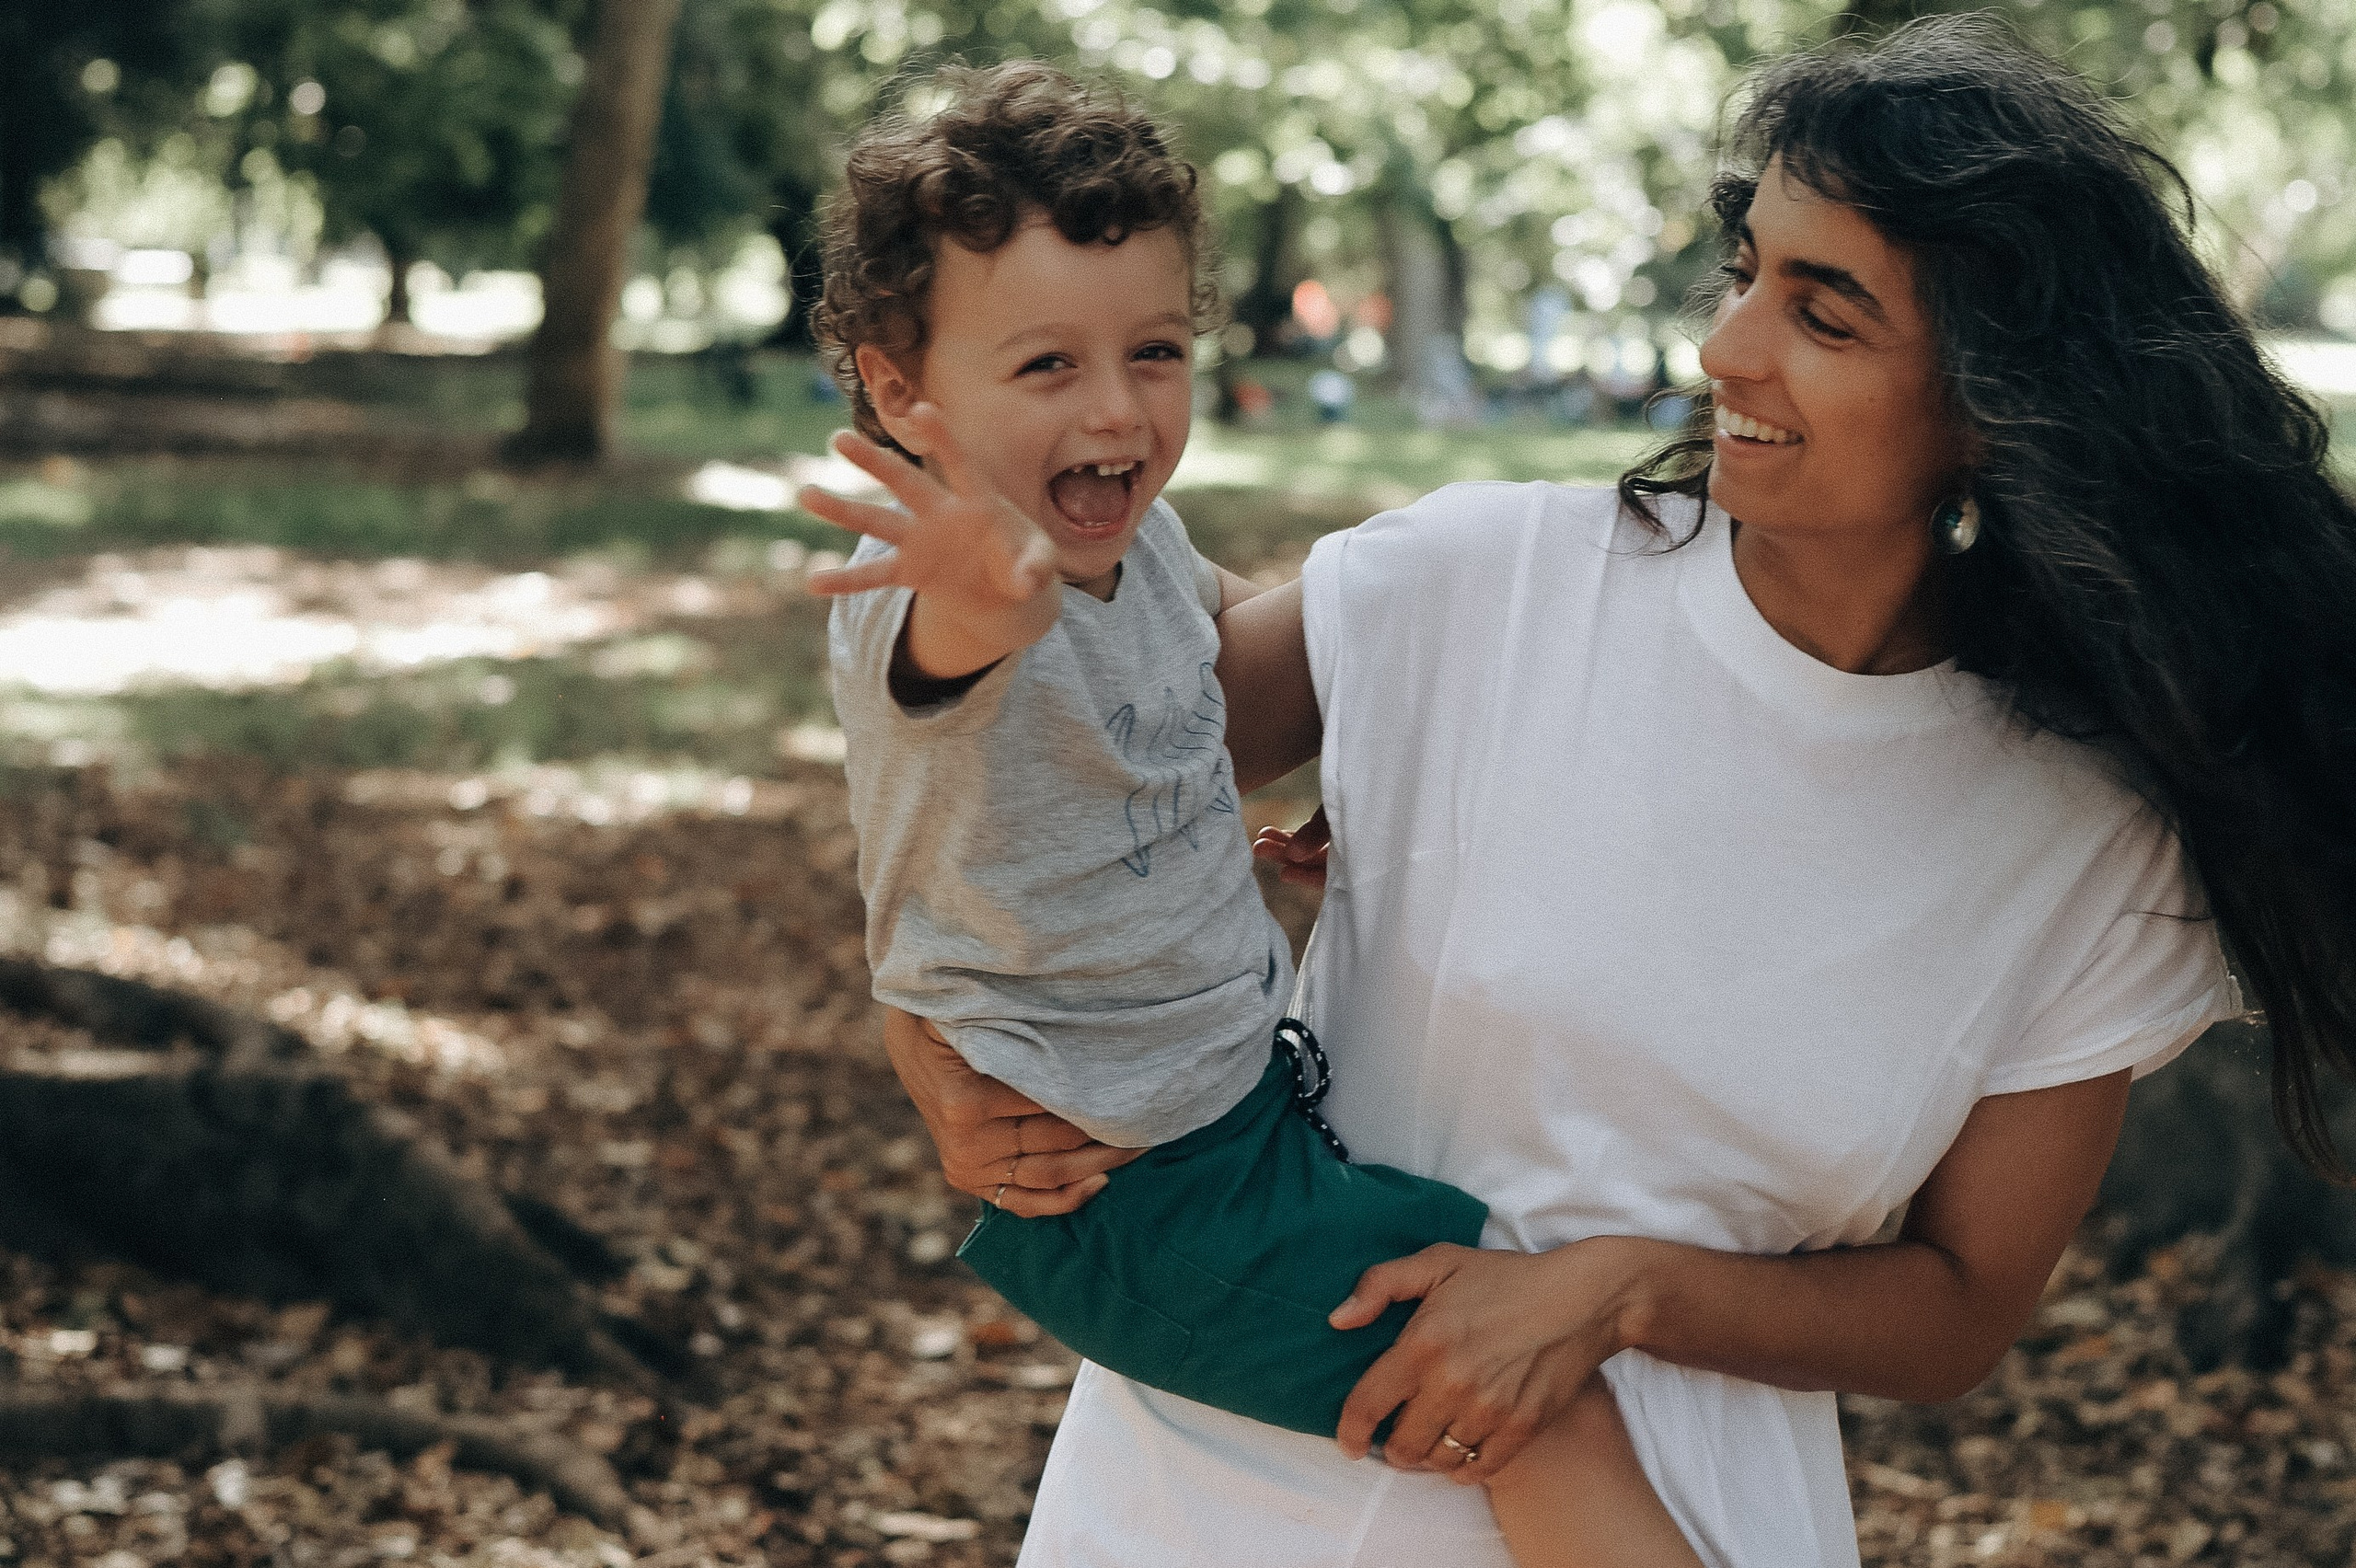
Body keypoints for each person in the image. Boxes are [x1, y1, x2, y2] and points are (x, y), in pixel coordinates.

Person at [878, 17, 2356, 1565]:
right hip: (1223, 1497)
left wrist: (1618, 1290)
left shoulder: (2087, 838)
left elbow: (1956, 1312)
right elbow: (1030, 778)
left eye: (1826, 316)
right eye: (1746, 272)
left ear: (1997, 403)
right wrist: (923, 1033)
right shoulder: (1487, 581)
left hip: (1690, 1520)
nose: (1727, 351)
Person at [798, 62, 1703, 1567]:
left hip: (1237, 1119)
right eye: (1044, 369)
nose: (1116, 410)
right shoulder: (938, 587)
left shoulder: (1140, 548)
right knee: (1516, 1376)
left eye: (1154, 353)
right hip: (1132, 1191)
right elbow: (945, 671)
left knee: (1507, 1300)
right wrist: (972, 590)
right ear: (903, 391)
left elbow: (1204, 680)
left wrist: (1365, 790)